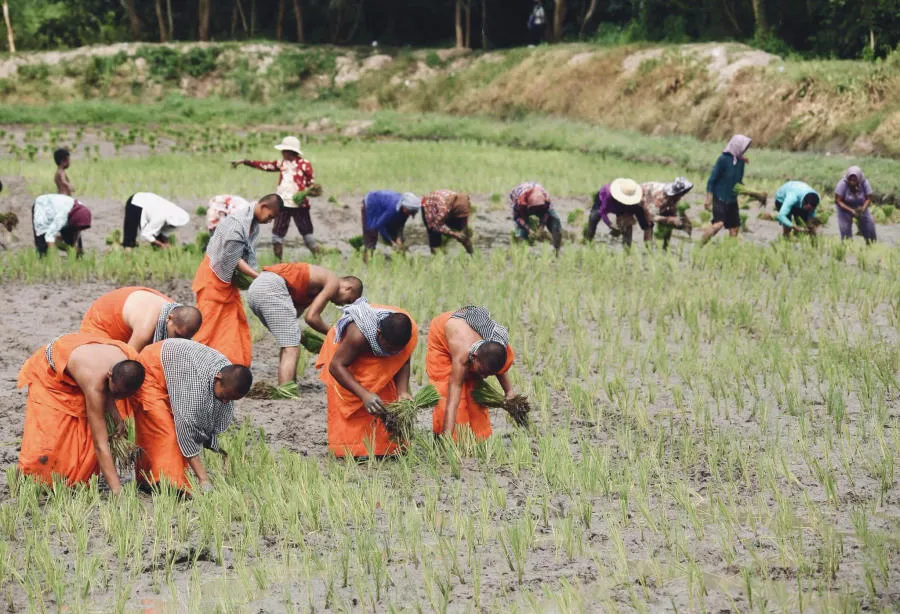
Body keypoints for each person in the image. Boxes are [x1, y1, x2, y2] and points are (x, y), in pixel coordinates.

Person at [17, 333, 145, 493]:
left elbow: (111, 391)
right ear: (109, 376)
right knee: (48, 438)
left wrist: (116, 416)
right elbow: (100, 444)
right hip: (51, 373)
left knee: (82, 439)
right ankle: (28, 477)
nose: (117, 398)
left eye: (123, 396)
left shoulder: (124, 363)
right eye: (116, 393)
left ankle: (74, 478)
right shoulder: (94, 385)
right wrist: (117, 490)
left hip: (84, 355)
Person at [134, 339, 251, 491]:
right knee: (165, 431)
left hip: (177, 368)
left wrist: (212, 441)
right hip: (152, 368)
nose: (225, 402)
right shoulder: (196, 388)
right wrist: (203, 479)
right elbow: (186, 430)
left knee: (173, 427)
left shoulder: (228, 377)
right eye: (224, 396)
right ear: (217, 379)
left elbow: (211, 414)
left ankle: (152, 478)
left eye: (230, 399)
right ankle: (164, 482)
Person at [315, 298, 417, 458]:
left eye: (397, 349)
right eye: (389, 348)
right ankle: (351, 449)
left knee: (384, 401)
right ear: (378, 334)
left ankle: (386, 448)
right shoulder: (357, 335)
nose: (392, 353)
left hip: (375, 348)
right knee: (354, 401)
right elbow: (336, 366)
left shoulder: (406, 333)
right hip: (343, 356)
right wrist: (364, 394)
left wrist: (403, 391)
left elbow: (402, 358)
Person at [191, 194, 282, 366]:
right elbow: (233, 259)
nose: (269, 222)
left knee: (234, 322)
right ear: (263, 207)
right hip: (213, 279)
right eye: (270, 217)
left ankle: (229, 365)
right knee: (207, 327)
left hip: (227, 282)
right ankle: (195, 366)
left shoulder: (251, 223)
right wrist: (258, 277)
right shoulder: (238, 225)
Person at [248, 264, 363, 385]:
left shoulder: (314, 288)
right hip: (271, 287)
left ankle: (288, 384)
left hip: (257, 289)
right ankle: (286, 391)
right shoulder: (333, 281)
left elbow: (293, 316)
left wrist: (303, 337)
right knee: (291, 348)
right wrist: (337, 334)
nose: (343, 304)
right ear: (348, 288)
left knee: (289, 341)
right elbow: (311, 318)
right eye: (348, 300)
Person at [427, 306, 515, 440]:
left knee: (474, 392)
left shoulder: (499, 342)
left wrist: (509, 392)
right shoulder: (462, 352)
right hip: (444, 333)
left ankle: (479, 438)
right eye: (483, 372)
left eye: (489, 374)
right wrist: (447, 438)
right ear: (474, 356)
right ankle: (443, 436)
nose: (485, 377)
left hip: (471, 328)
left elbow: (499, 366)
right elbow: (454, 393)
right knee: (446, 390)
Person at [232, 136, 318, 259]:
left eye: (284, 151)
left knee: (307, 234)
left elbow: (311, 184)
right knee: (276, 236)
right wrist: (245, 162)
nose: (282, 153)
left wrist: (308, 191)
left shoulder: (304, 165)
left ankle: (319, 257)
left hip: (300, 205)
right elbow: (265, 166)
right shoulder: (281, 163)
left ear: (291, 151)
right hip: (283, 204)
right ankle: (279, 263)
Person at [80, 287, 202, 353]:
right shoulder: (145, 329)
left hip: (130, 316)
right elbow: (127, 360)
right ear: (169, 318)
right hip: (102, 321)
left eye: (184, 338)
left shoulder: (176, 312)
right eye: (176, 334)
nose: (177, 340)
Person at [701, 135, 751, 245]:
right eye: (744, 147)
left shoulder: (741, 162)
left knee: (734, 228)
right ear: (736, 146)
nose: (745, 150)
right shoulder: (723, 159)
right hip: (720, 197)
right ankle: (699, 245)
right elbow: (712, 180)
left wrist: (748, 192)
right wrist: (708, 199)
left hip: (732, 199)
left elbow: (739, 181)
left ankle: (730, 250)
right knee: (718, 224)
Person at [583, 179, 648, 246]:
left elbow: (640, 214)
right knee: (594, 217)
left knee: (626, 225)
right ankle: (588, 241)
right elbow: (602, 211)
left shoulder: (634, 202)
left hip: (621, 207)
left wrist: (645, 226)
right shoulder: (608, 194)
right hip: (604, 202)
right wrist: (610, 224)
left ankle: (627, 249)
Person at [361, 190, 421, 263]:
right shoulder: (392, 210)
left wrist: (398, 238)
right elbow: (380, 225)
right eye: (408, 211)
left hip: (384, 206)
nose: (409, 214)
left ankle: (401, 260)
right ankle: (367, 261)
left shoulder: (406, 211)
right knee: (371, 232)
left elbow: (400, 224)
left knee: (395, 232)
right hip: (371, 203)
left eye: (411, 212)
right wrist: (391, 241)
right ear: (403, 206)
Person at [121, 192, 190, 249]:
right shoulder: (160, 217)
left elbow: (163, 233)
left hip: (150, 205)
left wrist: (166, 243)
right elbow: (146, 234)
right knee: (130, 236)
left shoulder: (176, 213)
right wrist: (161, 245)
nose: (173, 227)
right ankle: (127, 256)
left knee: (158, 238)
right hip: (136, 202)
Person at [640, 177, 694, 249]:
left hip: (655, 197)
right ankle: (648, 250)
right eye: (682, 193)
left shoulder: (674, 195)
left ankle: (665, 248)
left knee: (670, 218)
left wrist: (684, 222)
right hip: (642, 197)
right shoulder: (660, 198)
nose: (682, 195)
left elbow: (674, 211)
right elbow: (651, 217)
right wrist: (669, 219)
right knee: (649, 224)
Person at [510, 182, 562, 253]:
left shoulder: (545, 199)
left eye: (538, 208)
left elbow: (546, 213)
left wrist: (541, 226)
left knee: (556, 221)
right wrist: (528, 229)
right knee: (522, 231)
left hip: (540, 200)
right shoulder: (520, 201)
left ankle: (557, 250)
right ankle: (522, 251)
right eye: (534, 209)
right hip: (522, 201)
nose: (536, 211)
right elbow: (517, 218)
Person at [421, 190, 474, 255]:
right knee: (434, 235)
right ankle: (437, 258)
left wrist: (464, 233)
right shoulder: (443, 210)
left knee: (464, 236)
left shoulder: (463, 202)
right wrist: (454, 234)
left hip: (448, 206)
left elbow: (464, 219)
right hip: (430, 206)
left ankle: (472, 255)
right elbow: (436, 226)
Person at [835, 166, 877, 244]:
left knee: (869, 226)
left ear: (859, 179)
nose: (852, 182)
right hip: (844, 208)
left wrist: (863, 208)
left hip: (860, 207)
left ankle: (871, 246)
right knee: (845, 231)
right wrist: (851, 211)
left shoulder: (864, 182)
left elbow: (869, 198)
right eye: (850, 180)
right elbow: (838, 200)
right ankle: (848, 248)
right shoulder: (842, 184)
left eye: (855, 180)